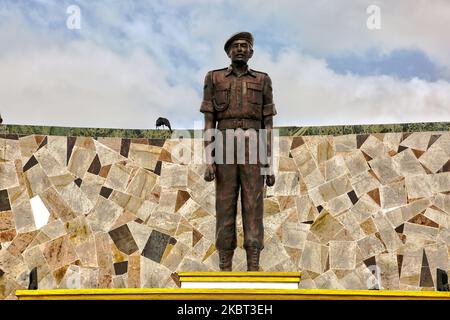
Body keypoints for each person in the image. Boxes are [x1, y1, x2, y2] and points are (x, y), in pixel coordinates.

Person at [199, 32, 277, 271]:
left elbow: (268, 126)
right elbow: (209, 122)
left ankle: (253, 266)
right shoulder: (214, 78)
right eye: (236, 46)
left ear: (251, 52)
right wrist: (209, 158)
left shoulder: (263, 80)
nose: (240, 49)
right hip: (224, 143)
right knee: (225, 205)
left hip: (253, 144)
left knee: (254, 206)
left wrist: (268, 163)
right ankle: (225, 266)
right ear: (229, 52)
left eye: (245, 46)